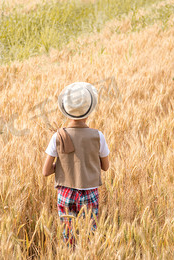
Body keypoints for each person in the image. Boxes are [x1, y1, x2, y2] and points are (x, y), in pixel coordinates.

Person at [42, 82, 110, 246]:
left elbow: (45, 171)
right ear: (89, 110)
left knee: (68, 237)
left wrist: (65, 166)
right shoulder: (98, 136)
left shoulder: (58, 136)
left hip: (65, 193)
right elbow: (105, 166)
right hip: (89, 192)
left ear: (66, 110)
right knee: (89, 236)